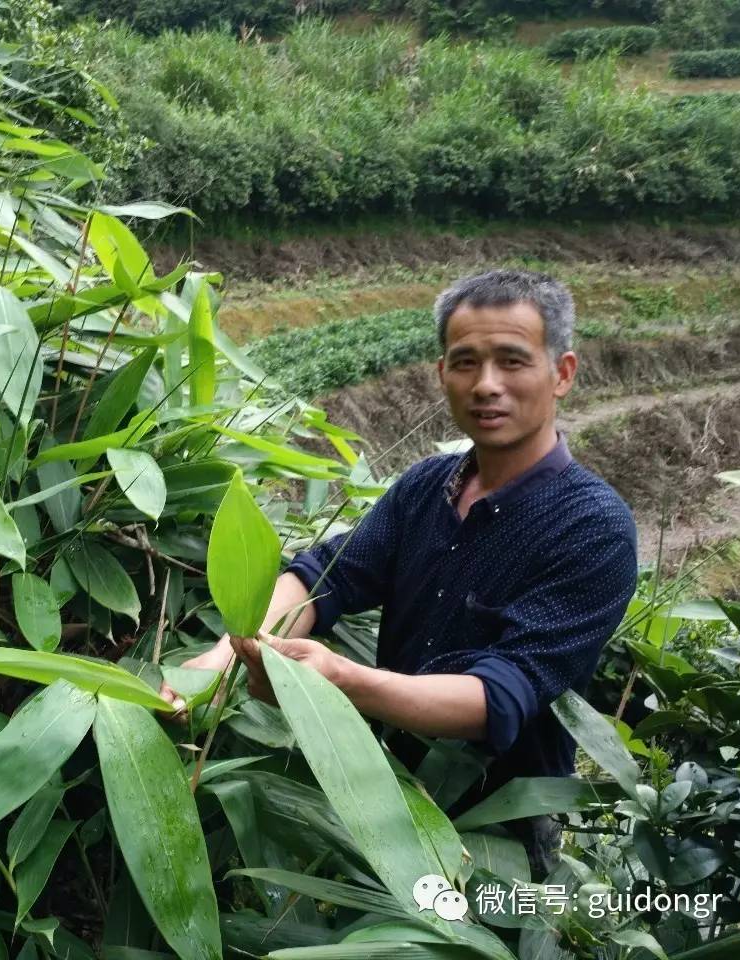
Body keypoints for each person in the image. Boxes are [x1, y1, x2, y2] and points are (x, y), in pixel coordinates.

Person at [161, 269, 638, 879]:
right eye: (465, 362)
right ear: (442, 374)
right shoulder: (424, 488)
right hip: (385, 787)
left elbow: (499, 695)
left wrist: (341, 679)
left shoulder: (592, 528)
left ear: (562, 372)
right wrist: (225, 655)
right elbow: (321, 577)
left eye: (512, 361)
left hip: (496, 831)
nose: (486, 384)